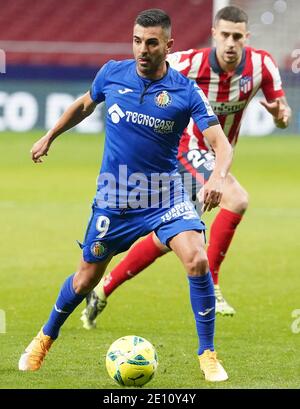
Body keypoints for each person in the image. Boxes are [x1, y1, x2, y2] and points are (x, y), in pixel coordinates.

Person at [18, 9, 233, 382]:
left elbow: (221, 144)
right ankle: (43, 337)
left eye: (151, 43)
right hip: (115, 197)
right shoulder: (112, 73)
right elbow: (84, 104)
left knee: (197, 258)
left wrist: (217, 177)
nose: (142, 50)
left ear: (169, 45)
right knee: (84, 280)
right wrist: (49, 135)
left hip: (165, 195)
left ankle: (208, 354)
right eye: (137, 41)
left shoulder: (185, 90)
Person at [81, 5, 292, 327]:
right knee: (237, 199)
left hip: (218, 155)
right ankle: (215, 285)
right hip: (184, 149)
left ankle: (104, 288)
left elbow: (283, 114)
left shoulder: (262, 64)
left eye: (238, 37)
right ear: (214, 35)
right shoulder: (189, 62)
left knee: (170, 235)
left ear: (246, 38)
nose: (231, 43)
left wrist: (280, 117)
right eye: (225, 35)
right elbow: (150, 72)